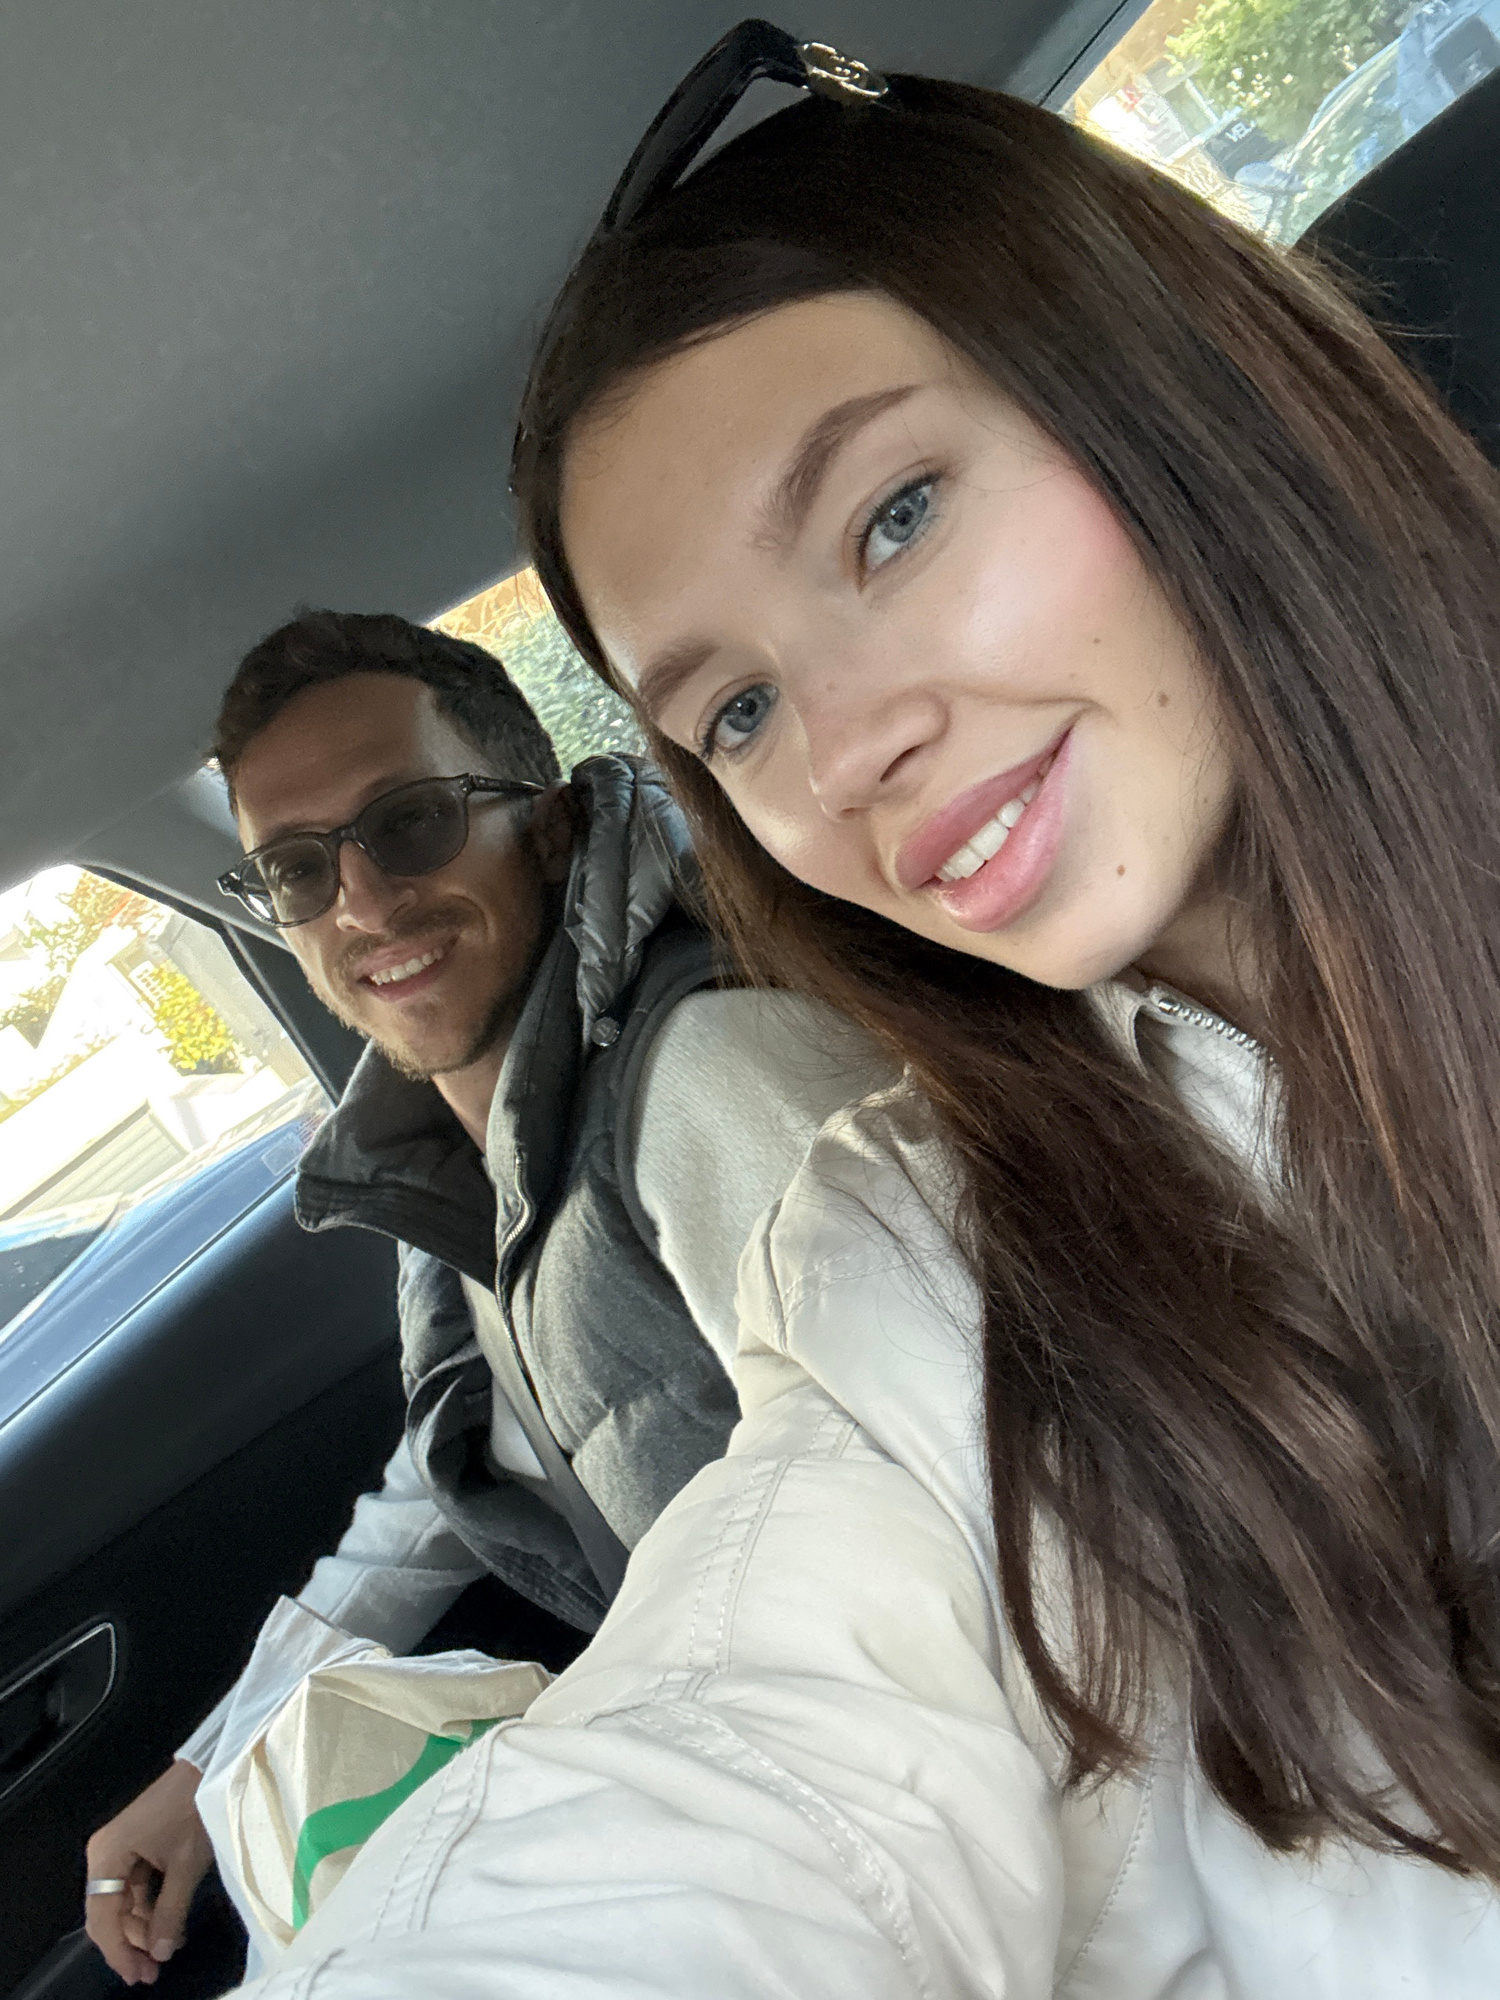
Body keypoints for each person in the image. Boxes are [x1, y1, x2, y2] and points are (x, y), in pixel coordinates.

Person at [215, 33, 1500, 2000]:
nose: (841, 751)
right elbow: (768, 1703)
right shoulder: (884, 1233)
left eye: (895, 519)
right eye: (735, 710)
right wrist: (234, 1739)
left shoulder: (738, 1104)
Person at [82, 608, 887, 1985]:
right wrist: (213, 1770)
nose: (362, 905)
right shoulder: (470, 1153)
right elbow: (462, 1462)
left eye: (410, 823)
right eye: (297, 869)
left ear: (552, 825)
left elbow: (992, 1526)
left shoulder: (713, 1080)